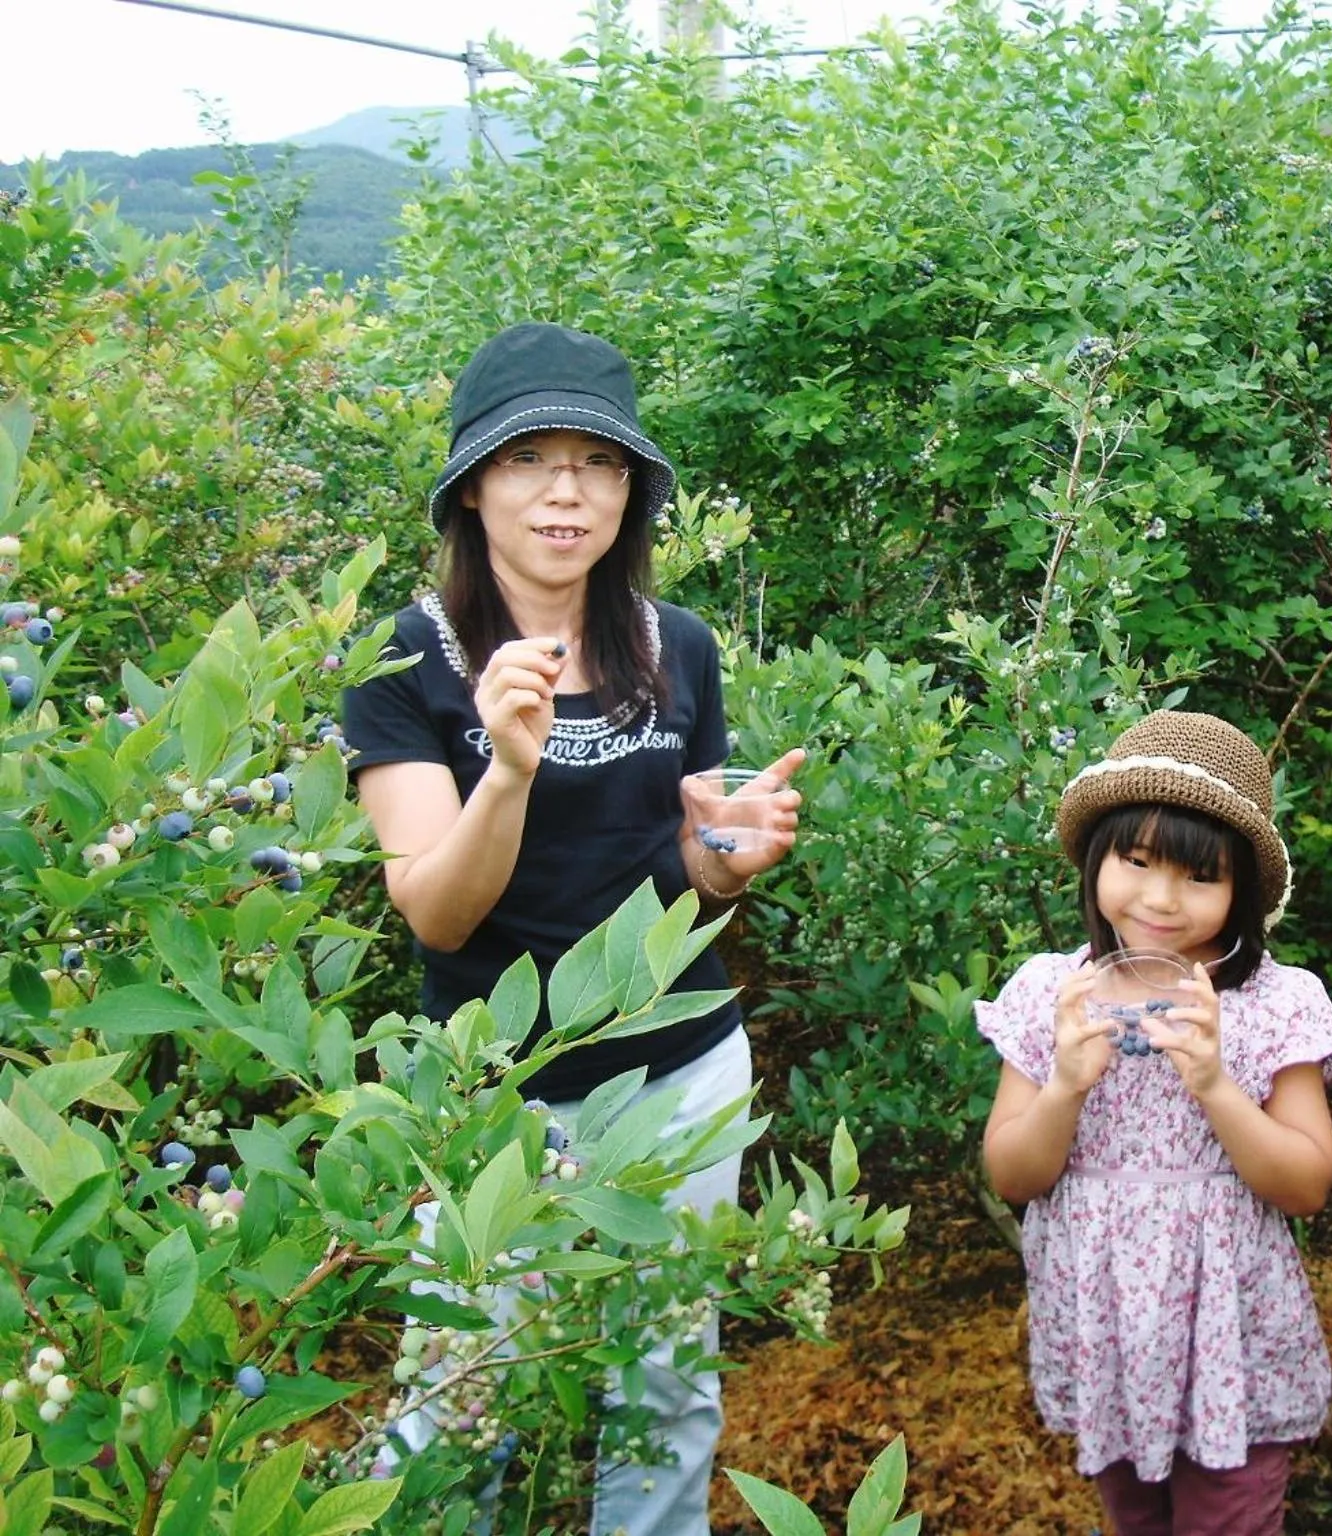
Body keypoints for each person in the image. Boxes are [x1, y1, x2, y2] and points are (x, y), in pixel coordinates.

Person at [341, 320, 804, 1536]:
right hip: (495, 1089)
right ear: (470, 486)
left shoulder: (676, 645)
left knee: (668, 1380)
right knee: (458, 1393)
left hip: (681, 1072)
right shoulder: (402, 663)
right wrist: (506, 768)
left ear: (630, 491)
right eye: (527, 459)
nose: (566, 490)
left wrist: (723, 857)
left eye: (598, 461)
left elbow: (684, 881)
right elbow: (438, 912)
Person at [978, 710, 1332, 1536]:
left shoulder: (1274, 1004)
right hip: (1105, 1327)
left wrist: (1215, 1084)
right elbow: (1013, 1175)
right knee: (1133, 1516)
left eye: (1199, 876)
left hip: (1232, 1332)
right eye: (1137, 861)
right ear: (1097, 857)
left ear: (1241, 890)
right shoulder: (1051, 994)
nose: (1159, 898)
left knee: (1230, 1514)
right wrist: (1064, 1087)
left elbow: (1306, 1186)